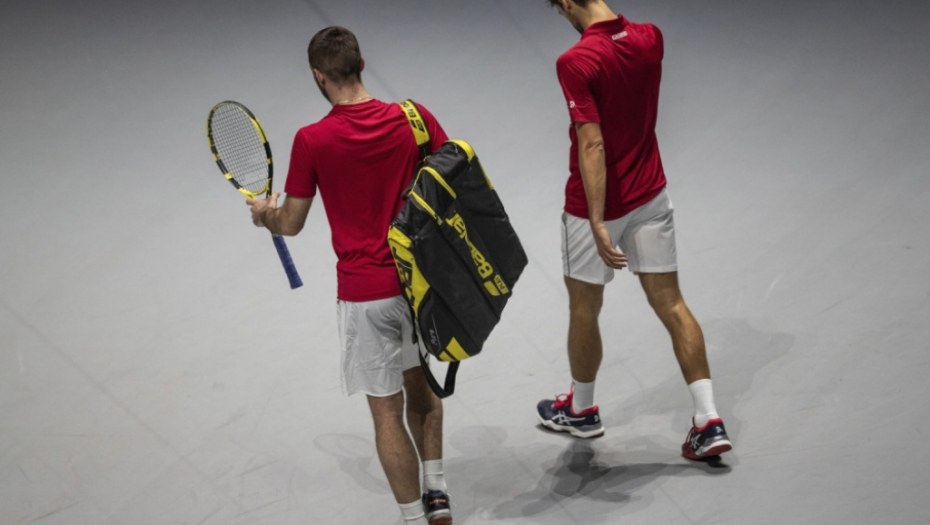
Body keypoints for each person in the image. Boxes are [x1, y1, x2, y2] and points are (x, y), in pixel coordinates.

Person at [246, 26, 453, 525]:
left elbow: (291, 223)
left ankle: (413, 518)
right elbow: (452, 183)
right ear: (361, 63)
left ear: (319, 76)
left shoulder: (312, 140)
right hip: (419, 286)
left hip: (365, 296)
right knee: (422, 389)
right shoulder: (415, 118)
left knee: (386, 412)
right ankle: (438, 495)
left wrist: (264, 215)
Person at [536, 0, 732, 460]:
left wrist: (598, 219)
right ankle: (709, 420)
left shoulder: (576, 61)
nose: (563, 17)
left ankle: (582, 410)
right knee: (672, 303)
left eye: (559, 10)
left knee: (585, 308)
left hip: (595, 206)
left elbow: (593, 143)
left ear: (567, 3)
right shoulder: (650, 37)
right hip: (650, 195)